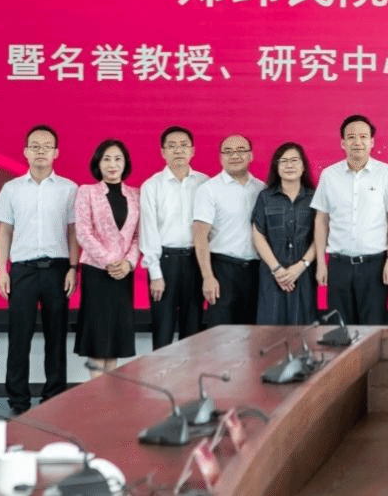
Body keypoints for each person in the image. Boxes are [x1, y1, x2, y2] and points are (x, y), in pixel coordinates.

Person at [0, 125, 78, 415]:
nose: (41, 150)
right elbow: (4, 231)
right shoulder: (12, 189)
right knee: (19, 338)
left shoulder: (69, 189)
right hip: (23, 270)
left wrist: (73, 268)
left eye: (47, 146)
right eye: (35, 146)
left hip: (57, 269)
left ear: (56, 152)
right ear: (26, 152)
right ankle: (18, 402)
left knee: (56, 337)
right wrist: (2, 271)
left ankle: (54, 398)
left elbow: (73, 232)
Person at [312, 115, 388, 325]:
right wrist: (321, 263)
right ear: (342, 143)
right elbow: (321, 219)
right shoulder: (329, 175)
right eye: (351, 137)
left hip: (374, 265)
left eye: (363, 137)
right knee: (340, 329)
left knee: (373, 328)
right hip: (339, 265)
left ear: (372, 142)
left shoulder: (386, 173)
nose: (357, 142)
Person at [74, 139, 140, 375]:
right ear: (98, 163)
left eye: (118, 159)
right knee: (98, 338)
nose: (113, 164)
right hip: (97, 273)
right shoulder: (87, 192)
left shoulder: (136, 195)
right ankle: (96, 393)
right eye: (107, 159)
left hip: (123, 274)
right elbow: (83, 232)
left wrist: (128, 263)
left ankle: (110, 393)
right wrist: (110, 261)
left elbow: (137, 236)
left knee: (115, 340)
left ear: (125, 163)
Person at [140, 126, 208, 349]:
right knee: (163, 332)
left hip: (195, 262)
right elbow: (148, 230)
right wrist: (155, 274)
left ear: (193, 150)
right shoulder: (152, 186)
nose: (178, 150)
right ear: (163, 152)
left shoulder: (205, 184)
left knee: (193, 333)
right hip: (165, 262)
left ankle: (190, 374)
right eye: (171, 146)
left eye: (183, 145)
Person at [193, 134, 265, 326]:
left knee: (253, 333)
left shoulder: (262, 189)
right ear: (220, 157)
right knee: (221, 334)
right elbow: (200, 237)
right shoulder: (209, 189)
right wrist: (208, 277)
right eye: (228, 151)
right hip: (222, 270)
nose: (234, 155)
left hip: (256, 272)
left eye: (241, 150)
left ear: (251, 155)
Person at [252, 142, 319, 325]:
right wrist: (277, 269)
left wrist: (301, 266)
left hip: (303, 273)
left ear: (303, 166)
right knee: (270, 330)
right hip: (272, 273)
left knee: (303, 329)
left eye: (294, 160)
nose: (289, 165)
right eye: (284, 161)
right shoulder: (265, 197)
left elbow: (320, 236)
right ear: (276, 167)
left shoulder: (315, 198)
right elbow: (258, 234)